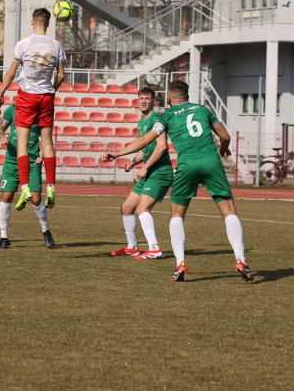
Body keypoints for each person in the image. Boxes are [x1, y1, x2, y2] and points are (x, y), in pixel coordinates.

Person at [103, 80, 254, 283]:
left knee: (177, 215)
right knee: (228, 211)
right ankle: (240, 259)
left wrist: (118, 154)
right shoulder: (203, 109)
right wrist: (223, 148)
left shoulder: (167, 116)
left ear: (169, 99)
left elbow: (146, 141)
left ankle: (180, 262)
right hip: (211, 162)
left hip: (187, 165)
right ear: (187, 96)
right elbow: (225, 136)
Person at [0, 7, 66, 212]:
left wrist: (1, 92)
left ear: (33, 22)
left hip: (27, 97)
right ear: (49, 23)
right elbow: (61, 75)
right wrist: (52, 90)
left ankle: (25, 187)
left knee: (23, 144)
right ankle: (51, 187)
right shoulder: (56, 45)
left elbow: (11, 72)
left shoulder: (24, 43)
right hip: (46, 96)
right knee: (47, 143)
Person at [108, 87, 171, 260]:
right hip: (150, 172)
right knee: (127, 207)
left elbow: (161, 147)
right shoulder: (142, 121)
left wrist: (145, 167)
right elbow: (145, 148)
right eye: (141, 98)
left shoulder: (157, 119)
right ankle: (132, 247)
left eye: (147, 98)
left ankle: (154, 249)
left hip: (160, 172)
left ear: (153, 101)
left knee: (142, 208)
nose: (143, 101)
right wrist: (133, 162)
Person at [0, 104, 53, 249]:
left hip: (32, 163)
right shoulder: (12, 109)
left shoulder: (41, 111)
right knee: (6, 197)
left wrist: (42, 156)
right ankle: (3, 237)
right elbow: (0, 128)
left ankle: (46, 231)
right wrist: (2, 136)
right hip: (12, 162)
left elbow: (46, 142)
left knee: (36, 199)